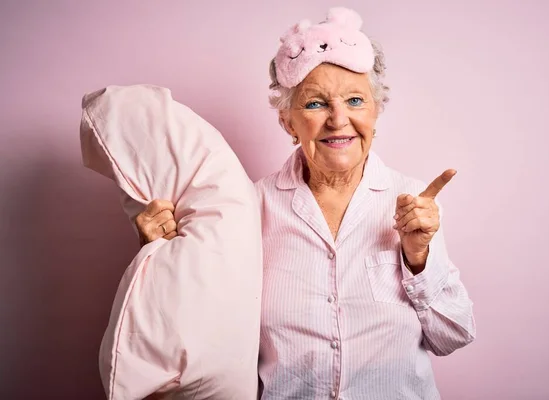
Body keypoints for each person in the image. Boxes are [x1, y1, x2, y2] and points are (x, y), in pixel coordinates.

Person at [134, 7, 475, 399]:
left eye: (355, 100)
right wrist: (159, 255)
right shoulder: (248, 207)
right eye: (315, 104)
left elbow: (453, 335)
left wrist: (419, 259)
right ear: (287, 121)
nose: (338, 119)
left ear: (376, 112)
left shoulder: (416, 204)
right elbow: (197, 322)